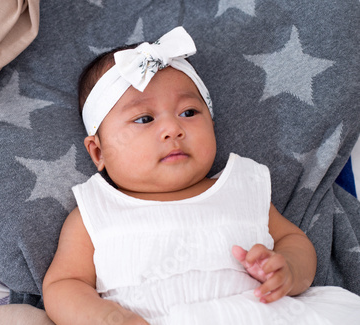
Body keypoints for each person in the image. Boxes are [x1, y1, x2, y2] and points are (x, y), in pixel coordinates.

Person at [42, 27, 360, 324]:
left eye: (189, 113)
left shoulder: (242, 186)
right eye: (144, 119)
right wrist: (107, 317)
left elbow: (294, 241)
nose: (172, 129)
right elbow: (63, 285)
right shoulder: (95, 212)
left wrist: (289, 268)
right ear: (98, 152)